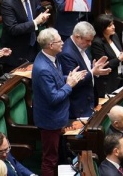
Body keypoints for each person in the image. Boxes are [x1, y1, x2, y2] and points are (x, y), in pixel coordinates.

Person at [32, 28, 86, 176]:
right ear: (50, 45)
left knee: (57, 155)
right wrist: (70, 85)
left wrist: (68, 78)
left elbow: (55, 79)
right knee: (50, 159)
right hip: (50, 120)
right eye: (59, 41)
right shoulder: (43, 68)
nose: (63, 43)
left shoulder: (51, 57)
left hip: (58, 117)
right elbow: (53, 98)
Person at [58, 22, 111, 119]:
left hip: (89, 101)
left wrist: (94, 68)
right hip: (78, 106)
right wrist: (92, 72)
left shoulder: (82, 46)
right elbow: (73, 81)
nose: (90, 44)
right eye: (88, 41)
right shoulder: (66, 53)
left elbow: (85, 69)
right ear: (77, 37)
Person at [0, 0, 50, 70]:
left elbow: (38, 15)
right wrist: (36, 22)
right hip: (16, 53)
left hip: (33, 47)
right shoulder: (8, 3)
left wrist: (43, 19)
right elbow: (13, 29)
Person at [91, 14, 123, 97]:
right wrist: (119, 59)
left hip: (119, 76)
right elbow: (103, 65)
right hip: (107, 81)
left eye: (113, 24)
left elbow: (120, 54)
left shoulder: (114, 36)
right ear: (102, 28)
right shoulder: (97, 43)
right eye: (109, 25)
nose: (113, 27)